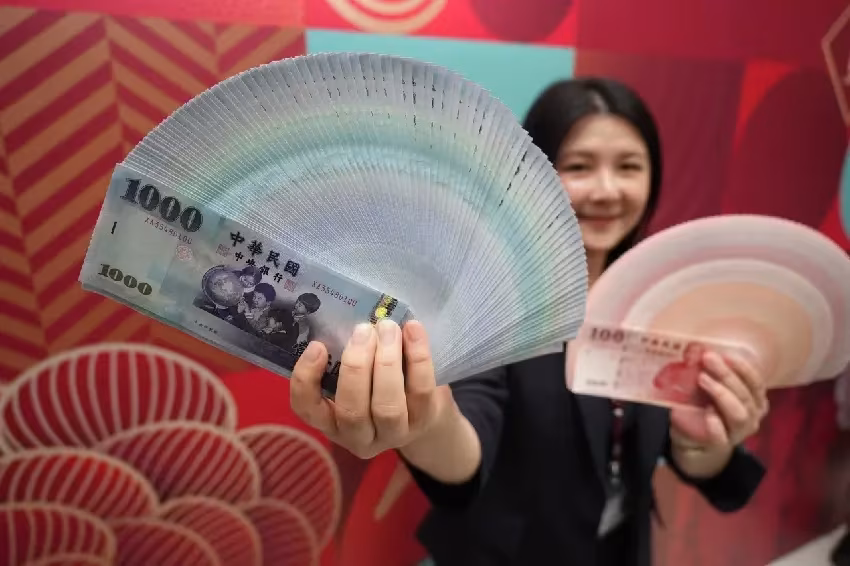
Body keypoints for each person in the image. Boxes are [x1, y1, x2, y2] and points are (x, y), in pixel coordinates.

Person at [289, 78, 769, 566]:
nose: (607, 190)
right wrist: (426, 422)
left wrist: (700, 442)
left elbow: (691, 459)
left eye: (628, 166)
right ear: (533, 175)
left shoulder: (662, 298)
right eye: (579, 166)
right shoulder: (493, 299)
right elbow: (466, 448)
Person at [652, 341, 709, 405]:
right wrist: (671, 386)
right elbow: (658, 381)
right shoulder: (672, 366)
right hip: (667, 401)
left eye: (694, 353)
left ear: (701, 356)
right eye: (687, 351)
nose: (689, 355)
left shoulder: (704, 372)